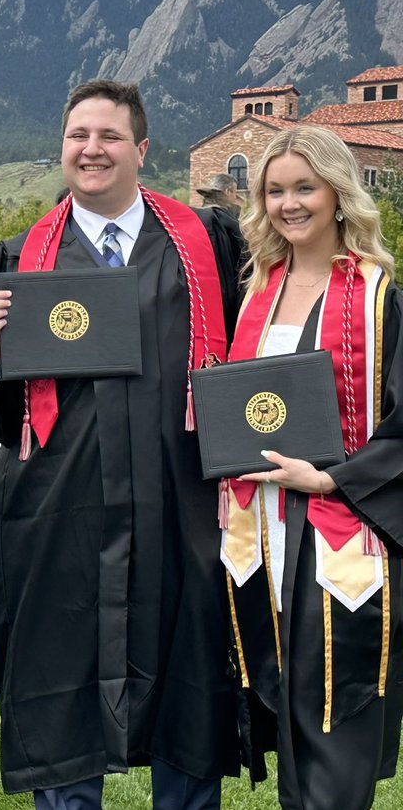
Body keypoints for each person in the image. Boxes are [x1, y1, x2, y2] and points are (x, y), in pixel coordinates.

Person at [0, 80, 244, 809]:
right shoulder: (18, 260)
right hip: (59, 508)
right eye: (78, 136)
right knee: (59, 684)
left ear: (141, 149)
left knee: (190, 679)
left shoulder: (207, 244)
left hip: (182, 502)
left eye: (109, 136)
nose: (91, 150)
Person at [221, 126, 403, 810]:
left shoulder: (379, 299)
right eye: (275, 191)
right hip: (259, 531)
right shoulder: (256, 290)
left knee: (334, 716)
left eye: (305, 187)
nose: (289, 203)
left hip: (339, 529)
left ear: (338, 193)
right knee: (290, 713)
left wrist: (332, 479)